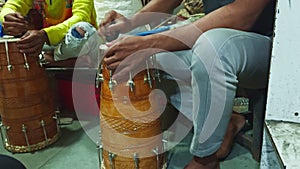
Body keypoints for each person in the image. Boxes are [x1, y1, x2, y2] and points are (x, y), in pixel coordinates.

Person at [98, 0, 276, 168]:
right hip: (221, 35)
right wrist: (131, 23)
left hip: (271, 46)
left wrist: (150, 42)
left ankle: (206, 160)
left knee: (211, 49)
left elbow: (243, 15)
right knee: (147, 60)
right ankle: (227, 123)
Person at [0, 0, 99, 62]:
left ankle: (49, 59)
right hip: (49, 44)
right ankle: (52, 58)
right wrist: (8, 17)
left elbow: (81, 17)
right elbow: (11, 5)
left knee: (82, 29)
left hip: (75, 43)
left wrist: (46, 35)